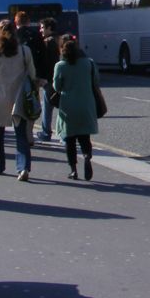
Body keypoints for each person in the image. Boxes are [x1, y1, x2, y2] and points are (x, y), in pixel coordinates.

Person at [0, 19, 36, 181]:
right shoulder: (25, 51)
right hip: (19, 97)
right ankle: (23, 167)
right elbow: (32, 74)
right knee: (21, 134)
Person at [53, 34, 100, 181]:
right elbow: (96, 81)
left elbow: (56, 87)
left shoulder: (60, 66)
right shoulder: (89, 63)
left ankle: (73, 169)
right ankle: (87, 156)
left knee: (70, 139)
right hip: (86, 104)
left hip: (68, 106)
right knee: (85, 137)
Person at [14, 12, 47, 142]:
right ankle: (29, 134)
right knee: (31, 103)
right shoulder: (36, 35)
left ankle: (20, 133)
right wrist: (41, 76)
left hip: (16, 76)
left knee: (17, 104)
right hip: (33, 75)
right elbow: (42, 56)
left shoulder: (13, 36)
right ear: (28, 22)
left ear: (16, 22)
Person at [37, 17, 60, 142]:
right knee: (62, 106)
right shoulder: (60, 39)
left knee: (47, 106)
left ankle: (46, 132)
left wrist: (43, 78)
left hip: (50, 79)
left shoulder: (47, 42)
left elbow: (46, 63)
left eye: (42, 28)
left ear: (49, 28)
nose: (41, 30)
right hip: (61, 78)